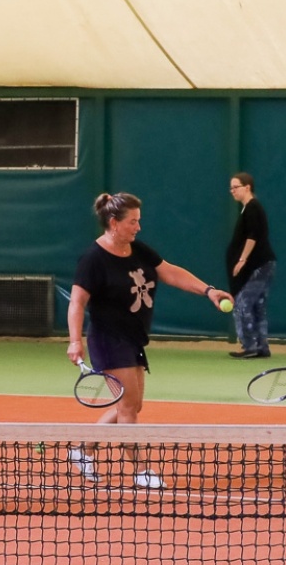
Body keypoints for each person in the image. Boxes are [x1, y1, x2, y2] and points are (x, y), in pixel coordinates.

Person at [65, 192, 233, 488]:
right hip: (107, 339)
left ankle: (82, 449)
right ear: (114, 223)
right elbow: (77, 302)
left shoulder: (138, 250)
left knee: (132, 405)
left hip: (133, 339)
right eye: (133, 222)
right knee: (128, 407)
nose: (138, 227)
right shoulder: (93, 259)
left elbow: (169, 272)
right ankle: (141, 470)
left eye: (139, 221)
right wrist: (74, 340)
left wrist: (208, 291)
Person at [226, 172, 277, 359]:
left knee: (242, 304)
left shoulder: (253, 208)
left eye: (235, 187)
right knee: (257, 306)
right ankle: (261, 346)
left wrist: (242, 260)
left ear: (247, 187)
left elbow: (253, 236)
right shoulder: (248, 208)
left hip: (259, 265)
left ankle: (250, 346)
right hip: (263, 265)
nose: (232, 191)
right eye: (230, 188)